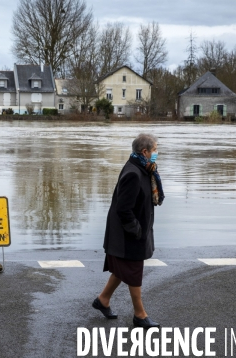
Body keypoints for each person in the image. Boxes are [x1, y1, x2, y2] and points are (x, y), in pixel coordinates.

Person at [92, 133, 165, 328]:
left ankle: (103, 300)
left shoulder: (143, 168)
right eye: (155, 150)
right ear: (145, 152)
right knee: (133, 271)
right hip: (127, 234)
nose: (157, 153)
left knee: (122, 269)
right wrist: (137, 230)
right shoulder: (133, 173)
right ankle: (139, 315)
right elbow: (123, 209)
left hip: (129, 233)